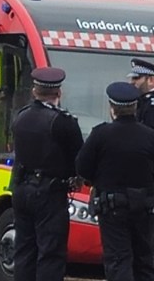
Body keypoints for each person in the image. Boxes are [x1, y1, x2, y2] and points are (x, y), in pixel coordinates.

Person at [11, 66, 84, 281]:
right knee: (50, 252)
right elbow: (79, 158)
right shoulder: (63, 121)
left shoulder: (20, 116)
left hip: (21, 189)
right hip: (50, 193)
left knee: (24, 249)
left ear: (35, 91)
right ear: (58, 93)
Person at [76, 81, 154, 281]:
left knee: (118, 260)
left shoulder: (101, 134)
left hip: (112, 207)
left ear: (112, 108)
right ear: (135, 108)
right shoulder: (149, 136)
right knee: (144, 261)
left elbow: (82, 167)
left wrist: (97, 180)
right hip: (145, 208)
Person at [128, 58, 154, 129]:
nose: (131, 82)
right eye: (131, 78)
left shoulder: (151, 104)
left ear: (151, 80)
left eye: (136, 78)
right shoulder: (140, 100)